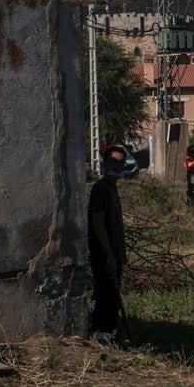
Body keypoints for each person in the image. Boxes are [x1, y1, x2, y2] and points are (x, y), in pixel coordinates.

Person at [88, 145, 130, 344]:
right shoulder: (101, 189)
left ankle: (110, 334)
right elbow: (98, 224)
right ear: (105, 163)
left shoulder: (112, 189)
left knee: (112, 295)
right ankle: (101, 335)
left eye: (121, 161)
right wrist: (109, 254)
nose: (118, 165)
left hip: (114, 253)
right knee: (106, 296)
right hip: (104, 254)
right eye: (113, 161)